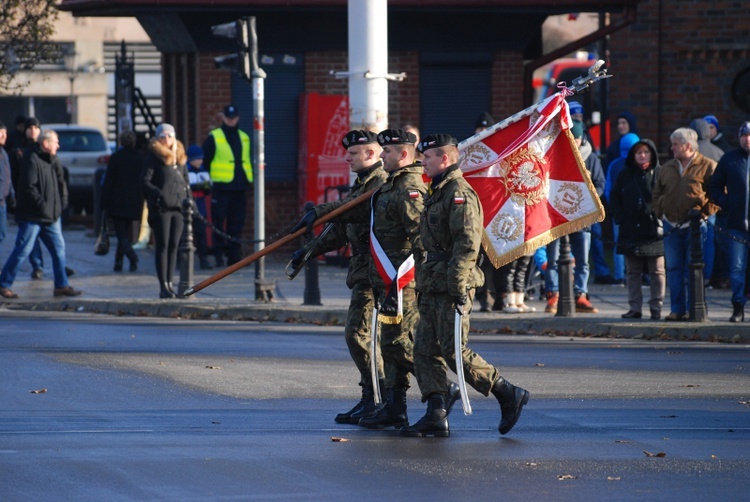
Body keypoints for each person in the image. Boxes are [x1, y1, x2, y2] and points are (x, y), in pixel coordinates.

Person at [400, 134, 529, 438]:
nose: (423, 162)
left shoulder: (459, 193)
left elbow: (467, 244)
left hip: (452, 282)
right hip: (433, 281)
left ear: (444, 159)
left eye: (428, 157)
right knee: (423, 350)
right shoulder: (438, 190)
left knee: (454, 351)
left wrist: (457, 285)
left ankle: (507, 392)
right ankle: (436, 412)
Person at [289, 129, 389, 425]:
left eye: (354, 153)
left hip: (378, 272)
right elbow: (340, 232)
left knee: (360, 336)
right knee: (363, 337)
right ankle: (371, 398)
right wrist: (307, 250)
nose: (348, 157)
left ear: (372, 154)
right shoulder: (361, 186)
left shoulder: (381, 185)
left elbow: (353, 212)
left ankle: (380, 397)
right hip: (362, 273)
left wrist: (321, 211)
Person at [357, 128, 425, 430]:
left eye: (388, 151)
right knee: (389, 344)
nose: (382, 155)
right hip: (387, 278)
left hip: (403, 280)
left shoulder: (410, 188)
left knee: (400, 344)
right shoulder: (392, 184)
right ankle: (395, 406)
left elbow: (421, 239)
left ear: (404, 154)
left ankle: (439, 392)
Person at [0, 130, 82, 299]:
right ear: (45, 143)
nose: (58, 146)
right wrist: (44, 207)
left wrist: (60, 205)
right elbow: (29, 188)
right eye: (55, 142)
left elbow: (61, 184)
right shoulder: (31, 158)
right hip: (33, 216)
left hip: (51, 216)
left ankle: (61, 285)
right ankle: (4, 283)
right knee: (23, 249)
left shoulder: (54, 160)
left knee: (59, 249)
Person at [652, 128, 718, 321]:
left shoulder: (707, 166)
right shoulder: (667, 167)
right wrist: (660, 210)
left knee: (694, 268)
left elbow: (718, 193)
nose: (672, 148)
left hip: (696, 227)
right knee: (673, 268)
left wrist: (704, 213)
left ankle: (694, 308)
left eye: (675, 144)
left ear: (687, 146)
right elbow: (657, 193)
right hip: (671, 224)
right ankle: (677, 309)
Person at [545, 119, 605, 314]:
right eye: (571, 138)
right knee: (553, 258)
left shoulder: (592, 158)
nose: (574, 142)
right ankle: (553, 294)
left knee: (582, 260)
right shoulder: (556, 156)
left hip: (583, 217)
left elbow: (600, 184)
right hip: (558, 217)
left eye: (577, 138)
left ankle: (580, 294)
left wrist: (587, 199)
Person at [609, 139, 665, 320]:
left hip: (653, 230)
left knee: (657, 271)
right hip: (630, 229)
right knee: (632, 272)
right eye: (638, 153)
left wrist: (661, 217)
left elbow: (667, 196)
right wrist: (620, 218)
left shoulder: (659, 173)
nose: (642, 156)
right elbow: (615, 197)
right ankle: (635, 307)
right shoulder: (625, 174)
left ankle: (656, 307)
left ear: (652, 154)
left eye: (646, 152)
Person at [143, 123, 191, 299]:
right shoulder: (153, 157)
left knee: (174, 247)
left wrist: (189, 200)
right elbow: (145, 181)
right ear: (158, 138)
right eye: (163, 136)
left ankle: (171, 283)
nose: (167, 139)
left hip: (178, 208)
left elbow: (186, 181)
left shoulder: (180, 157)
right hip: (161, 208)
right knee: (162, 246)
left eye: (170, 135)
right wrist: (159, 194)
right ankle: (163, 286)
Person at [708, 121, 750, 322]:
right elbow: (714, 187)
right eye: (744, 135)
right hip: (736, 225)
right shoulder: (730, 159)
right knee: (736, 269)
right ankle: (738, 307)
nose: (747, 139)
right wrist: (727, 203)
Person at [202, 105, 253, 267]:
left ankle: (233, 256)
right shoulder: (214, 137)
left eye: (234, 117)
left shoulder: (244, 137)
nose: (231, 120)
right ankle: (218, 255)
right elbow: (206, 162)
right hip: (221, 187)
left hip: (239, 187)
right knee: (218, 222)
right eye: (228, 117)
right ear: (223, 117)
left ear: (238, 118)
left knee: (236, 223)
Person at [102, 130, 144, 273]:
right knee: (124, 232)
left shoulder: (116, 157)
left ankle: (132, 257)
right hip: (133, 200)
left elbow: (108, 181)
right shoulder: (140, 158)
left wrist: (104, 201)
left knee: (121, 233)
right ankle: (118, 262)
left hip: (117, 200)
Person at [9, 117, 45, 279]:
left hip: (44, 200)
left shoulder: (43, 148)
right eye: (29, 127)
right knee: (28, 240)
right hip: (26, 201)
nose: (32, 130)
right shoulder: (18, 150)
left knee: (55, 241)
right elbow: (14, 176)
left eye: (35, 127)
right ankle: (37, 266)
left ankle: (60, 266)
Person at [604, 131, 641, 286]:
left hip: (619, 212)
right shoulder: (638, 165)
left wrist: (613, 207)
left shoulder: (614, 164)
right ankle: (638, 275)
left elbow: (608, 189)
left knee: (619, 244)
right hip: (637, 212)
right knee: (638, 244)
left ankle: (619, 276)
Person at [186, 144, 213, 270]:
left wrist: (205, 188)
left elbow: (209, 187)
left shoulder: (203, 170)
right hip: (188, 208)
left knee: (201, 234)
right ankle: (183, 261)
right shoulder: (185, 171)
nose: (200, 161)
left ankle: (204, 260)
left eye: (201, 159)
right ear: (191, 159)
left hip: (200, 207)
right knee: (184, 236)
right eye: (198, 159)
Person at [0, 121, 15, 248]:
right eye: (1, 132)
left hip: (2, 202)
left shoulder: (4, 153)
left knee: (1, 235)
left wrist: (12, 194)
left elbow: (7, 176)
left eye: (5, 132)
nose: (4, 135)